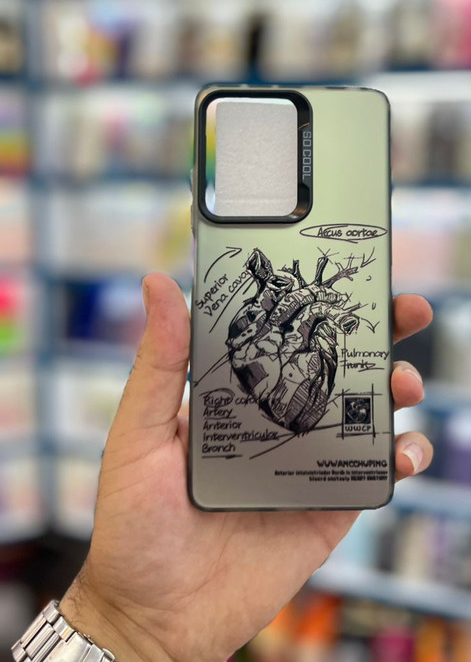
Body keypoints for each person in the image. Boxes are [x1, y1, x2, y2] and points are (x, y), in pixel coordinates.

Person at [57, 273, 433, 662]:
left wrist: (123, 627)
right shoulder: (265, 353)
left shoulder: (265, 351)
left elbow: (294, 329)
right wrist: (121, 623)